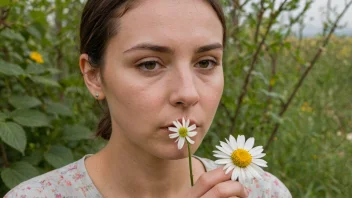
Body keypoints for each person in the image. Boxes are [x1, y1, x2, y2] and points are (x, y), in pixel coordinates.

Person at [4, 0, 292, 197]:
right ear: (93, 75)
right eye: (149, 64)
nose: (188, 93)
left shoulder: (259, 191)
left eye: (206, 62)